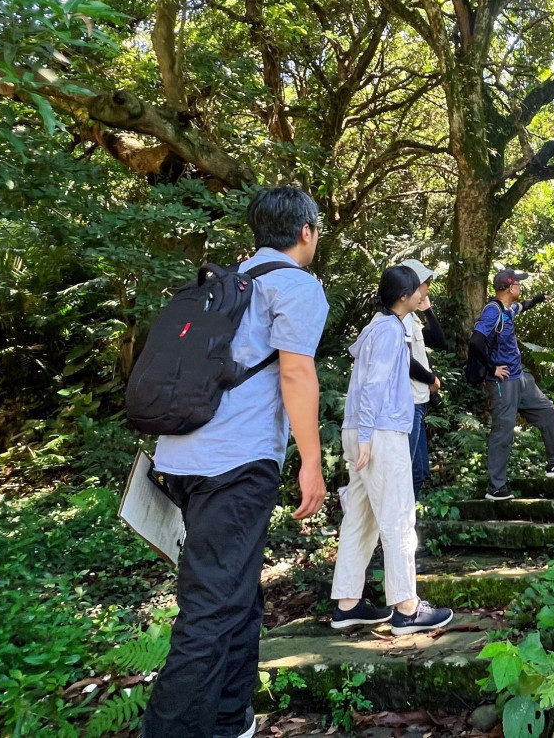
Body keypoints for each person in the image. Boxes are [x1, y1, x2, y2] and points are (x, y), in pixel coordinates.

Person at [143, 186, 329, 738]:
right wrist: (311, 463)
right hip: (236, 464)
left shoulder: (222, 284)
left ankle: (230, 718)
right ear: (306, 232)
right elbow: (296, 374)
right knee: (210, 611)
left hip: (178, 458)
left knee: (237, 593)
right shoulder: (295, 286)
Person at [330, 265, 454, 635]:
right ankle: (407, 608)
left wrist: (360, 434)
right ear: (404, 296)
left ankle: (347, 604)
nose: (425, 291)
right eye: (420, 287)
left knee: (361, 518)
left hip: (361, 430)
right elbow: (373, 386)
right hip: (379, 432)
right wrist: (367, 435)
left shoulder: (378, 326)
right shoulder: (388, 330)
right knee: (399, 519)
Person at [468, 269, 554, 501]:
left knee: (549, 413)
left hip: (521, 379)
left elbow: (524, 305)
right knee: (503, 432)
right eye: (518, 284)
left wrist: (538, 300)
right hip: (503, 382)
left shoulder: (509, 309)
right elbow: (476, 340)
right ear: (510, 288)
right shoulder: (493, 311)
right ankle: (496, 487)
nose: (521, 287)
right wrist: (491, 368)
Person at [400, 258, 447, 498]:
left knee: (419, 472)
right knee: (406, 471)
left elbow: (439, 341)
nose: (428, 288)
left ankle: (403, 526)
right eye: (426, 283)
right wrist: (431, 379)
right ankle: (391, 529)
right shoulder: (400, 320)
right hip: (408, 403)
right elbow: (406, 361)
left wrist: (427, 309)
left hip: (419, 403)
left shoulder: (412, 319)